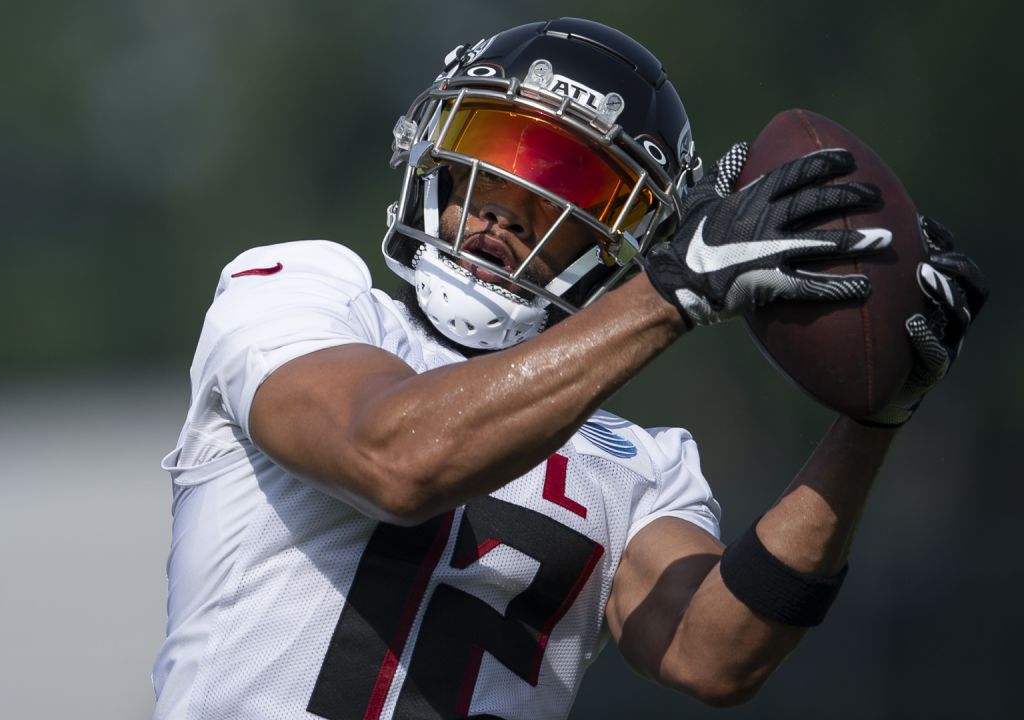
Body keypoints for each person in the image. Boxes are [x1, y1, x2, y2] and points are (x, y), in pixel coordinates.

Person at [150, 17, 986, 720]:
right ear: (432, 154)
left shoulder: (641, 463)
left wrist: (873, 418)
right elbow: (395, 460)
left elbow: (717, 655)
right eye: (489, 147)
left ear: (623, 234)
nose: (503, 209)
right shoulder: (300, 291)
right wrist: (671, 296)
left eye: (563, 181)